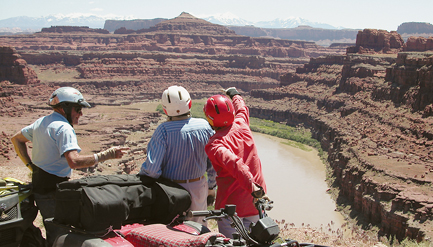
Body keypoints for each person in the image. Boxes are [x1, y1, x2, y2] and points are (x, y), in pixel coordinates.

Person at [11, 86, 129, 246]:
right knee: (62, 235)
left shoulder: (42, 122)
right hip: (55, 191)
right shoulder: (63, 128)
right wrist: (106, 155)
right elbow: (74, 161)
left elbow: (16, 139)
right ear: (64, 107)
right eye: (78, 109)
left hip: (40, 187)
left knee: (52, 230)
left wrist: (29, 165)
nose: (81, 113)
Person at [138, 85, 217, 225]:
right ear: (190, 103)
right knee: (198, 230)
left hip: (170, 191)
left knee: (173, 230)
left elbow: (151, 170)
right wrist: (211, 187)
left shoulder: (163, 131)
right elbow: (213, 164)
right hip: (198, 187)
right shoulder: (204, 126)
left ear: (165, 109)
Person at [203, 87, 269, 238]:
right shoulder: (242, 123)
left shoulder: (215, 144)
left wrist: (251, 186)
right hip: (255, 203)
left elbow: (235, 164)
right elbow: (242, 108)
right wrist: (234, 94)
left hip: (231, 207)